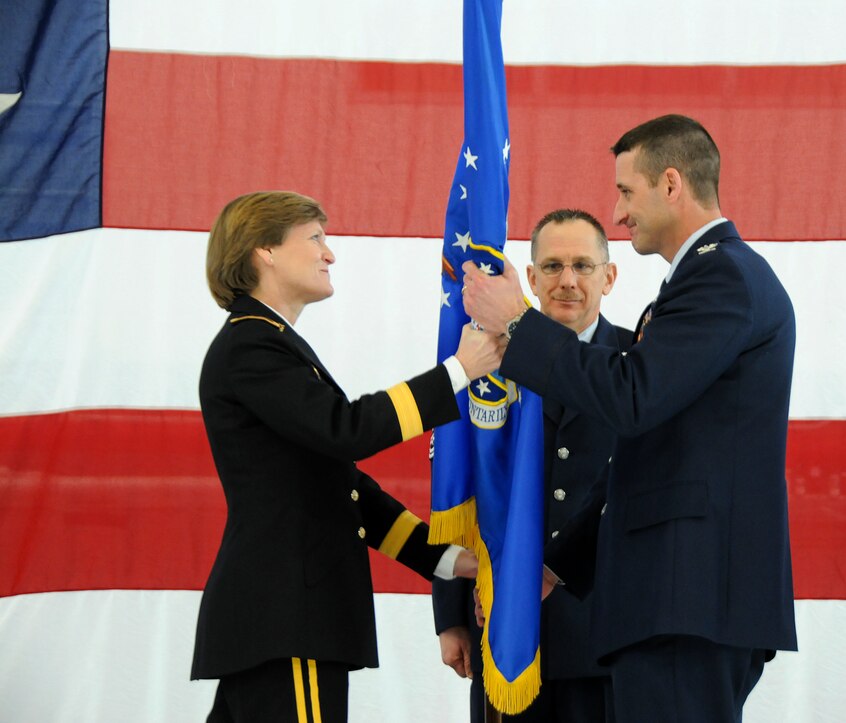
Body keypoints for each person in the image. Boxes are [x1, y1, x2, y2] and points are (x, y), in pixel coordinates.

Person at [461, 115, 797, 722]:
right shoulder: (700, 280)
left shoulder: (721, 276)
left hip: (688, 597)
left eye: (625, 191)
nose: (618, 213)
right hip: (672, 601)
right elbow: (647, 451)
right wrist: (556, 566)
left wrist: (518, 321)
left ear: (671, 183)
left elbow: (631, 397)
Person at [191, 190, 502, 723]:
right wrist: (458, 371)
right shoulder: (252, 345)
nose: (329, 253)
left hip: (281, 622)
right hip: (287, 619)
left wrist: (447, 560)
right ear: (265, 250)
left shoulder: (268, 343)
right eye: (315, 238)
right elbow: (347, 431)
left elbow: (340, 487)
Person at [432, 209, 630, 722]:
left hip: (608, 632)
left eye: (583, 265)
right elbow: (459, 484)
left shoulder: (638, 363)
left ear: (609, 277)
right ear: (532, 277)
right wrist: (451, 616)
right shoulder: (486, 363)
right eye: (553, 266)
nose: (568, 280)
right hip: (503, 627)